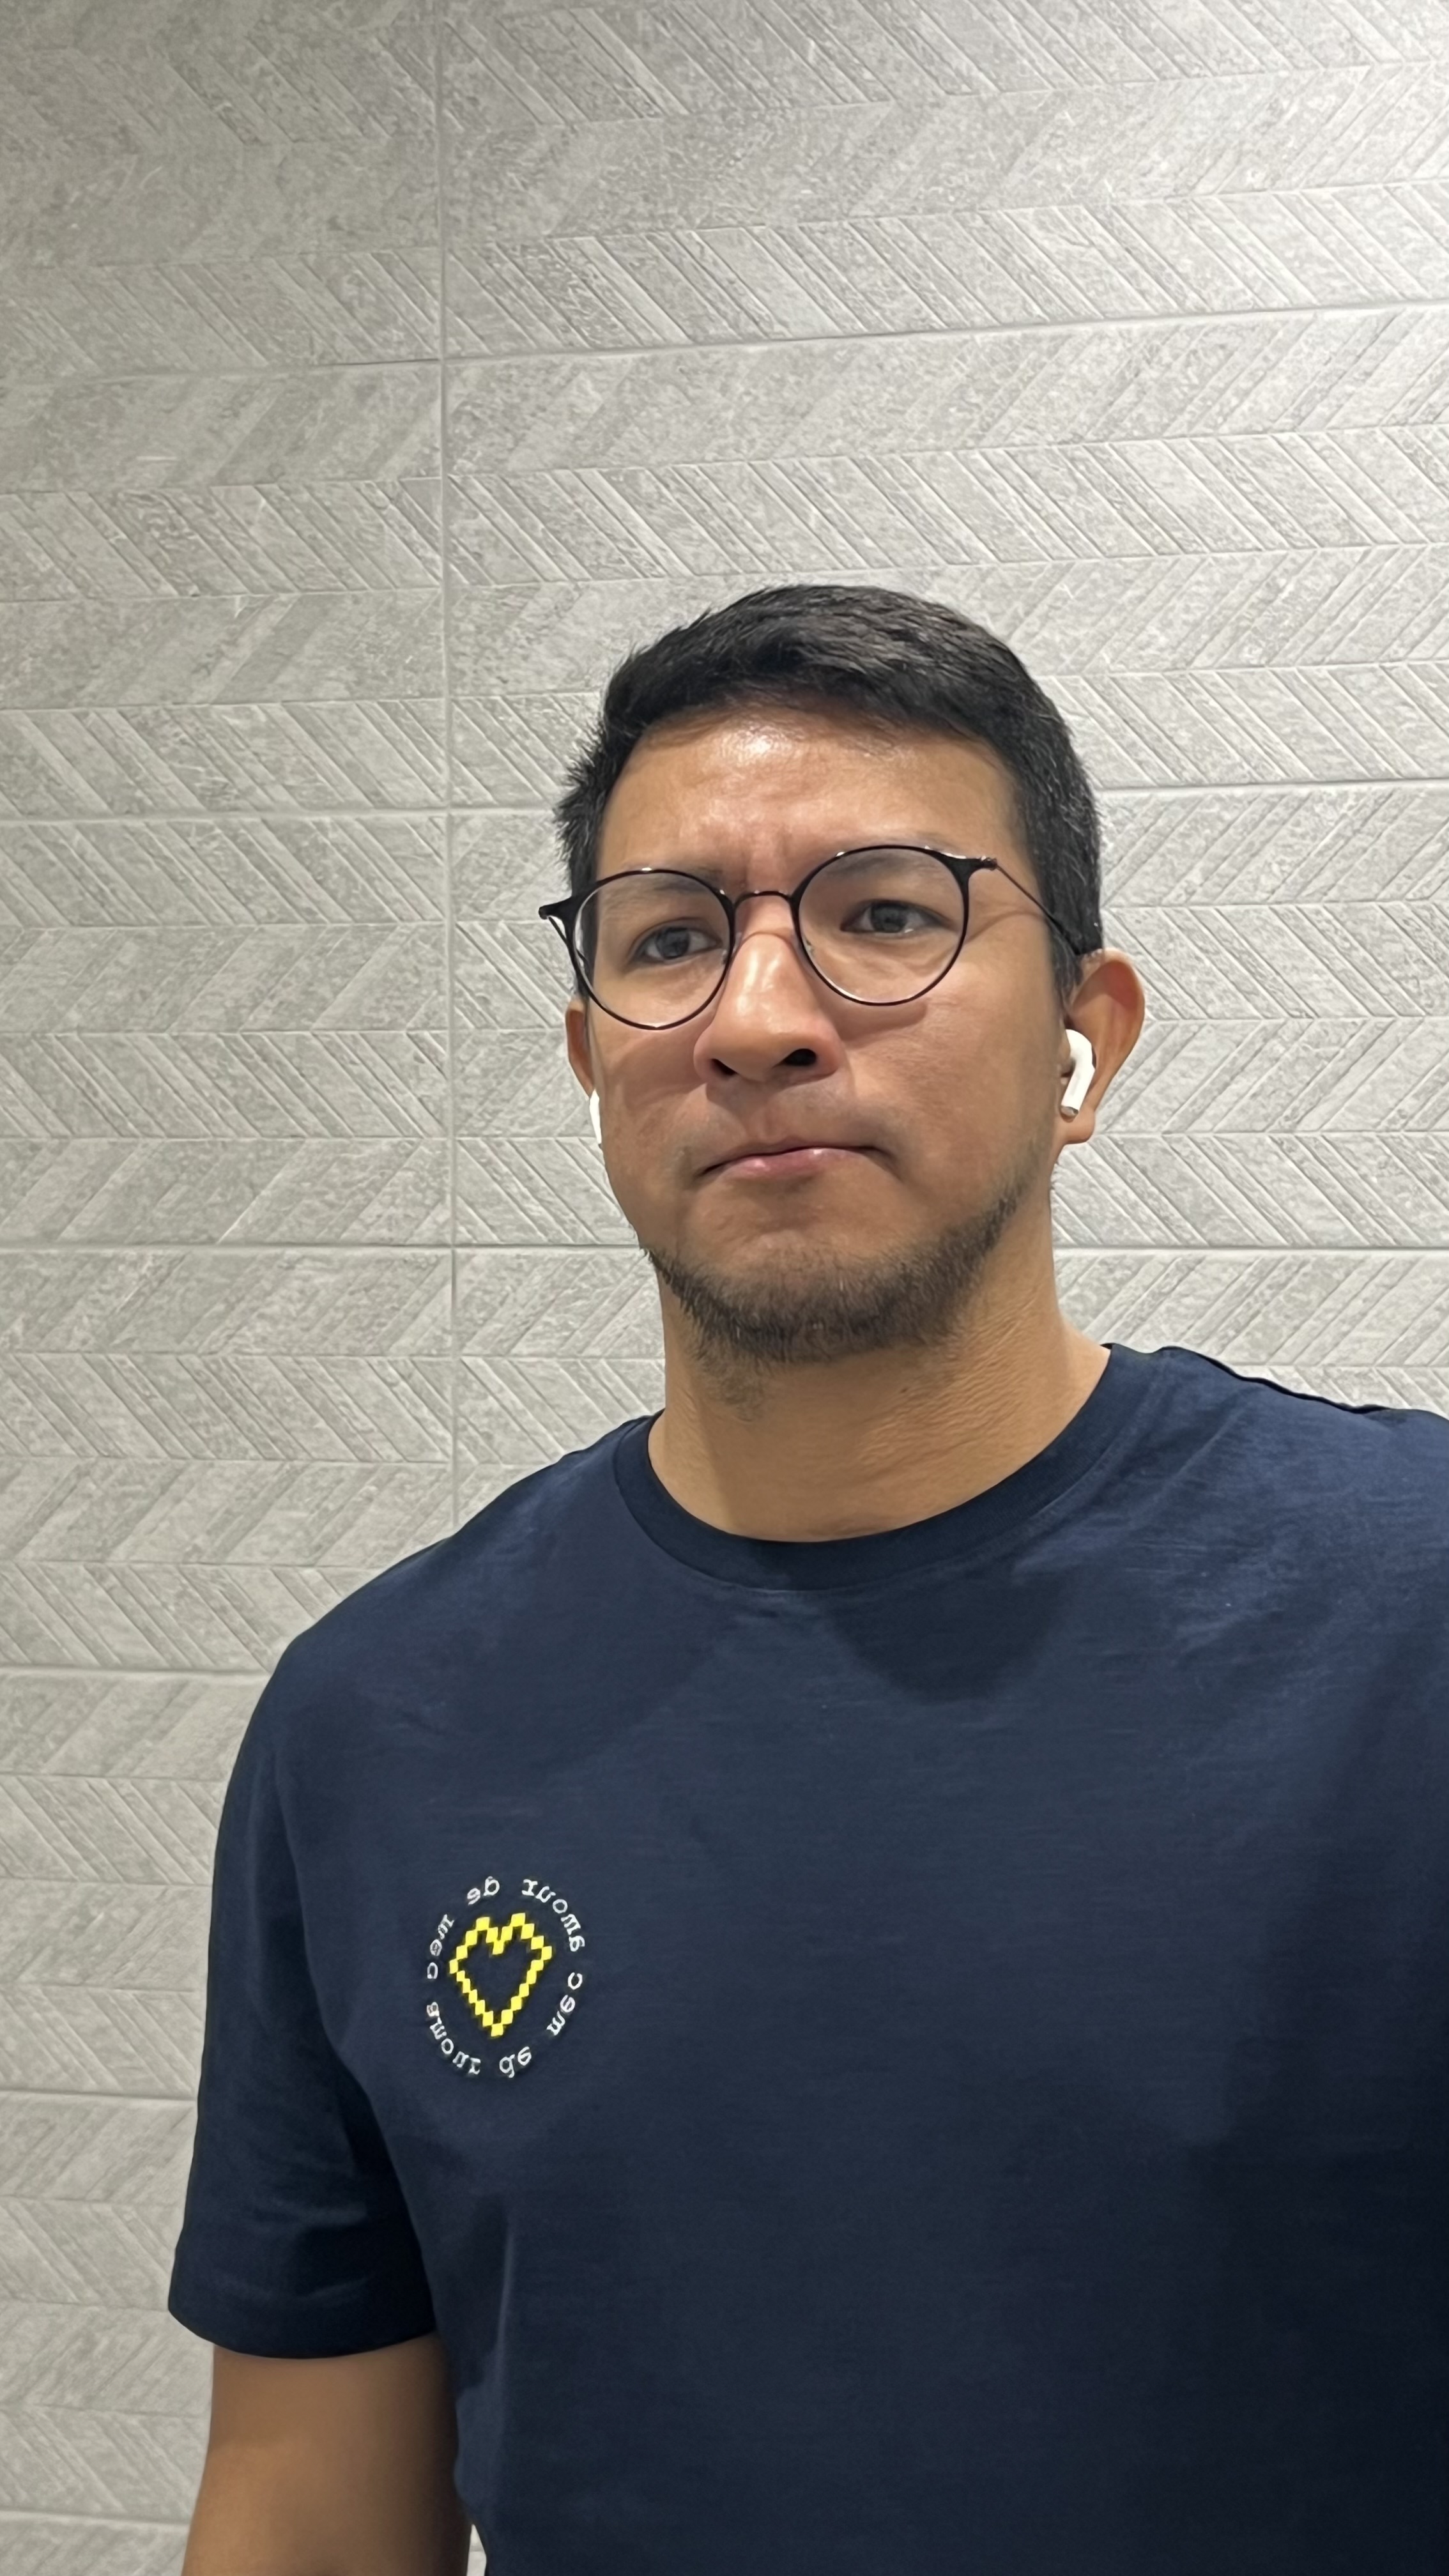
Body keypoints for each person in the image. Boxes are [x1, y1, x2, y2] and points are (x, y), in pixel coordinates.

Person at [171, 585, 1449, 2576]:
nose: (757, 1017)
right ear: (590, 1055)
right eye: (669, 941)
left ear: (1085, 1038)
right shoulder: (376, 1720)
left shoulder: (1405, 1618)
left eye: (885, 913)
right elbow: (307, 2514)